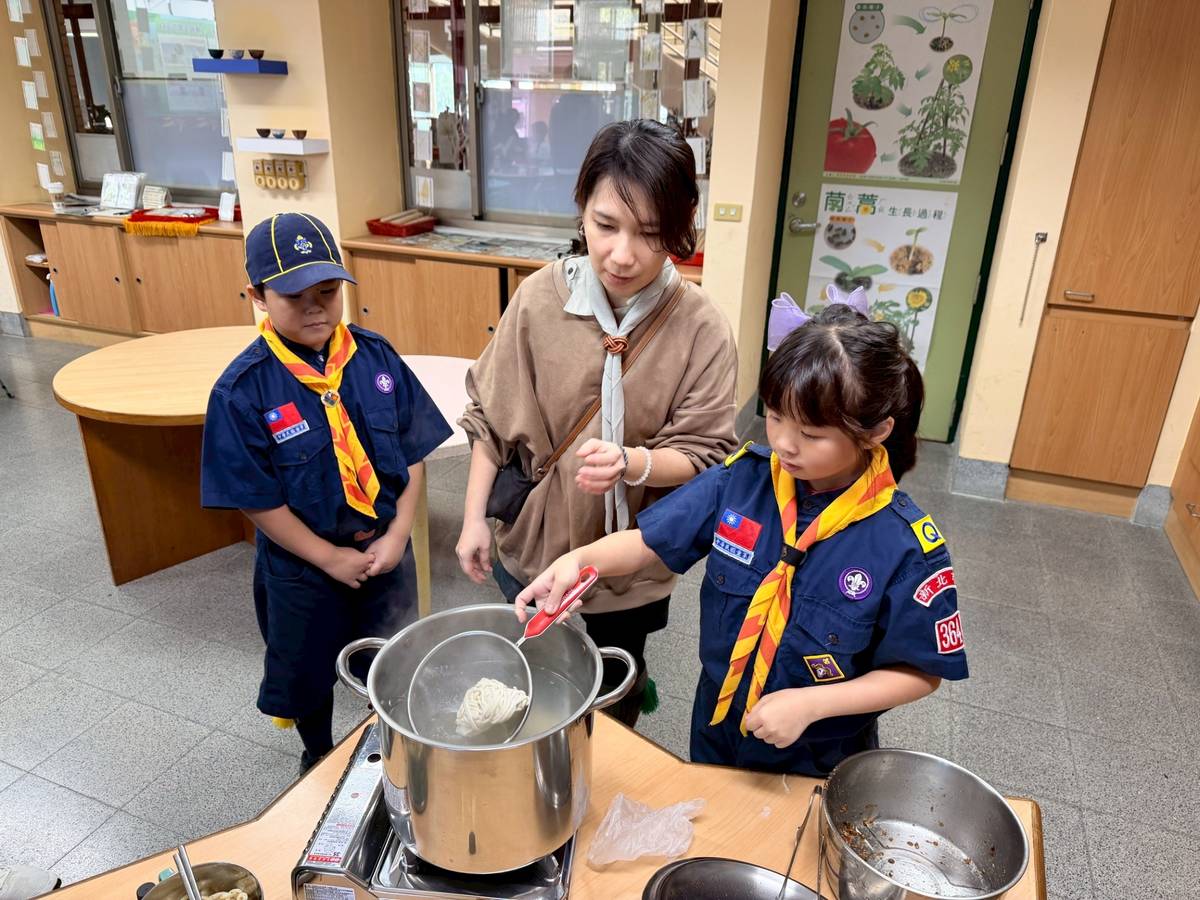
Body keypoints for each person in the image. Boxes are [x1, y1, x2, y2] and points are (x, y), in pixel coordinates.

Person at [514, 293, 968, 774]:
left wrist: (812, 706)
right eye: (774, 416)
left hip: (817, 751)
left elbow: (919, 673)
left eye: (812, 434)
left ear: (876, 431)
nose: (784, 443)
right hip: (718, 723)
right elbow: (649, 541)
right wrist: (580, 561)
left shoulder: (904, 544)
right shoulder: (743, 481)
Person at [457, 119, 738, 726]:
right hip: (535, 536)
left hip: (632, 559)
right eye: (605, 225)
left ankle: (618, 726)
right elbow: (490, 418)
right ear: (582, 207)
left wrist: (634, 462)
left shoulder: (702, 328)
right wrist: (474, 517)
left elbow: (708, 454)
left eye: (651, 234)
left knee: (617, 680)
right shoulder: (537, 300)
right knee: (535, 671)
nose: (622, 253)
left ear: (682, 227)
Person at [201, 212, 451, 771]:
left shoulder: (375, 357)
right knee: (308, 672)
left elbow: (411, 455)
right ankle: (316, 753)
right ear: (258, 296)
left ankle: (392, 743)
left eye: (327, 291)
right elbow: (256, 498)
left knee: (392, 655)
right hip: (305, 567)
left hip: (386, 550)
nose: (315, 307)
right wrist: (328, 557)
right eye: (294, 296)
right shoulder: (243, 389)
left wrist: (399, 535)